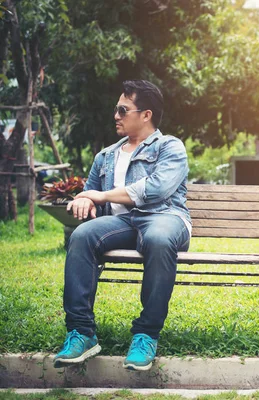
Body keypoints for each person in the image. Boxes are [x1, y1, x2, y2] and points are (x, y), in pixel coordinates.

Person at [53, 80, 191, 371]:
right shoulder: (106, 155)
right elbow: (90, 194)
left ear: (146, 114)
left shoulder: (170, 147)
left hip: (164, 218)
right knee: (82, 235)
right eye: (116, 109)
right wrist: (85, 200)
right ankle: (81, 333)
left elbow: (156, 189)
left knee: (158, 239)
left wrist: (100, 195)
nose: (116, 115)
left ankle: (146, 334)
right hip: (121, 223)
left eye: (122, 109)